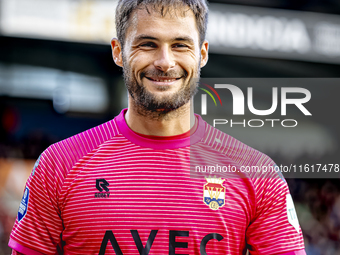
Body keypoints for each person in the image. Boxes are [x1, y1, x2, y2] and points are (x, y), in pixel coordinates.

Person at [9, 0, 306, 254]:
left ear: (202, 53)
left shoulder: (258, 174)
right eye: (148, 44)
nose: (165, 62)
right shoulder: (58, 165)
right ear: (118, 51)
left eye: (180, 45)